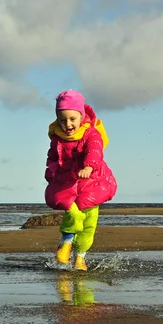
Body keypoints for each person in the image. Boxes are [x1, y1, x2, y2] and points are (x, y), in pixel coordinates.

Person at [44, 89, 117, 271]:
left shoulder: (90, 133)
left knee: (89, 225)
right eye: (62, 120)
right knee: (73, 213)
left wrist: (89, 167)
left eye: (72, 119)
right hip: (67, 183)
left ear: (81, 117)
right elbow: (52, 158)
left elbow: (95, 150)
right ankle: (66, 242)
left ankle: (80, 257)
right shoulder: (57, 139)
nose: (67, 124)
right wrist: (51, 174)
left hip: (92, 183)